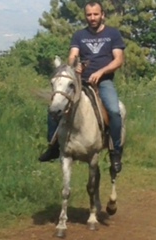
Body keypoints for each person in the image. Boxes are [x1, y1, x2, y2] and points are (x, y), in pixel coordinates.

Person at [39, 0, 125, 174]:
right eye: (89, 15)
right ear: (85, 16)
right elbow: (72, 55)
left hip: (104, 82)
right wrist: (74, 66)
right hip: (81, 81)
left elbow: (118, 60)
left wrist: (101, 72)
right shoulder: (79, 35)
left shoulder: (113, 34)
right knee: (56, 106)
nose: (92, 18)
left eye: (95, 14)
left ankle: (115, 151)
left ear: (102, 15)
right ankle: (54, 146)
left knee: (115, 112)